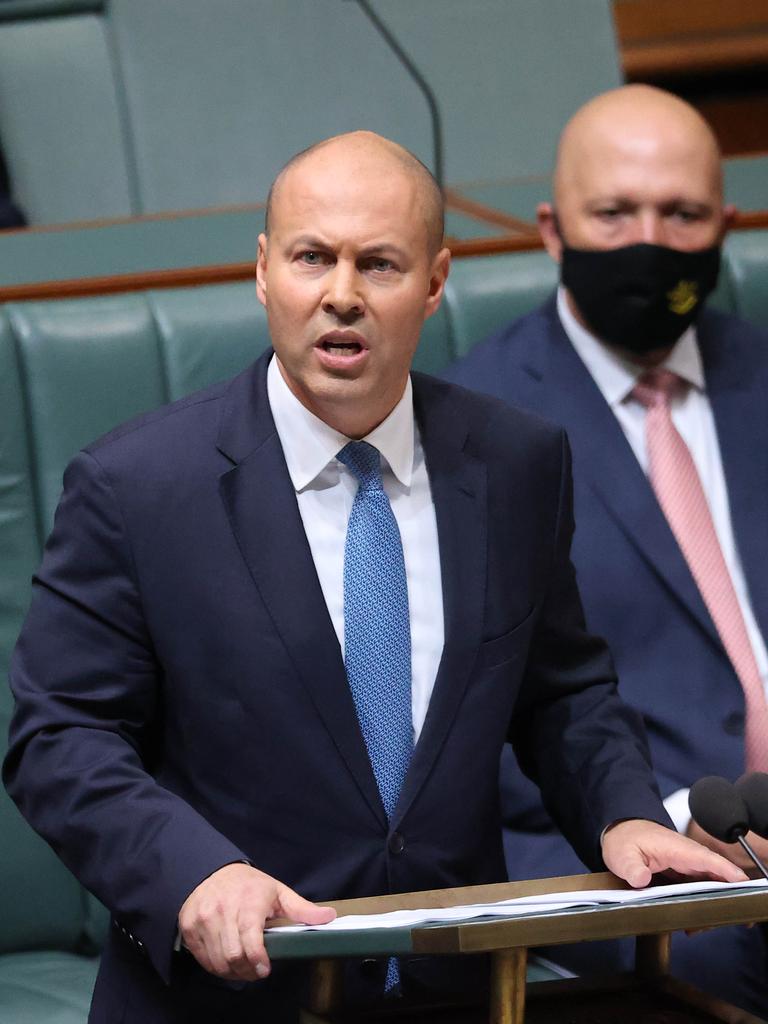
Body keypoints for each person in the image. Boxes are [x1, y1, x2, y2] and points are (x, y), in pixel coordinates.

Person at [3, 131, 744, 1024]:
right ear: (264, 269)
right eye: (314, 258)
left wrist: (624, 814)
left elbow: (563, 693)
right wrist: (192, 869)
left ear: (435, 283)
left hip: (466, 994)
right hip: (229, 1000)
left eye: (380, 265)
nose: (341, 296)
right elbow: (60, 736)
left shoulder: (516, 463)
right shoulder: (137, 487)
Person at [446, 85, 768, 1013]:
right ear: (552, 230)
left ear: (725, 224)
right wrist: (643, 819)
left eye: (682, 214)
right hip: (614, 844)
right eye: (614, 213)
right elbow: (468, 730)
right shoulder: (474, 431)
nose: (650, 243)